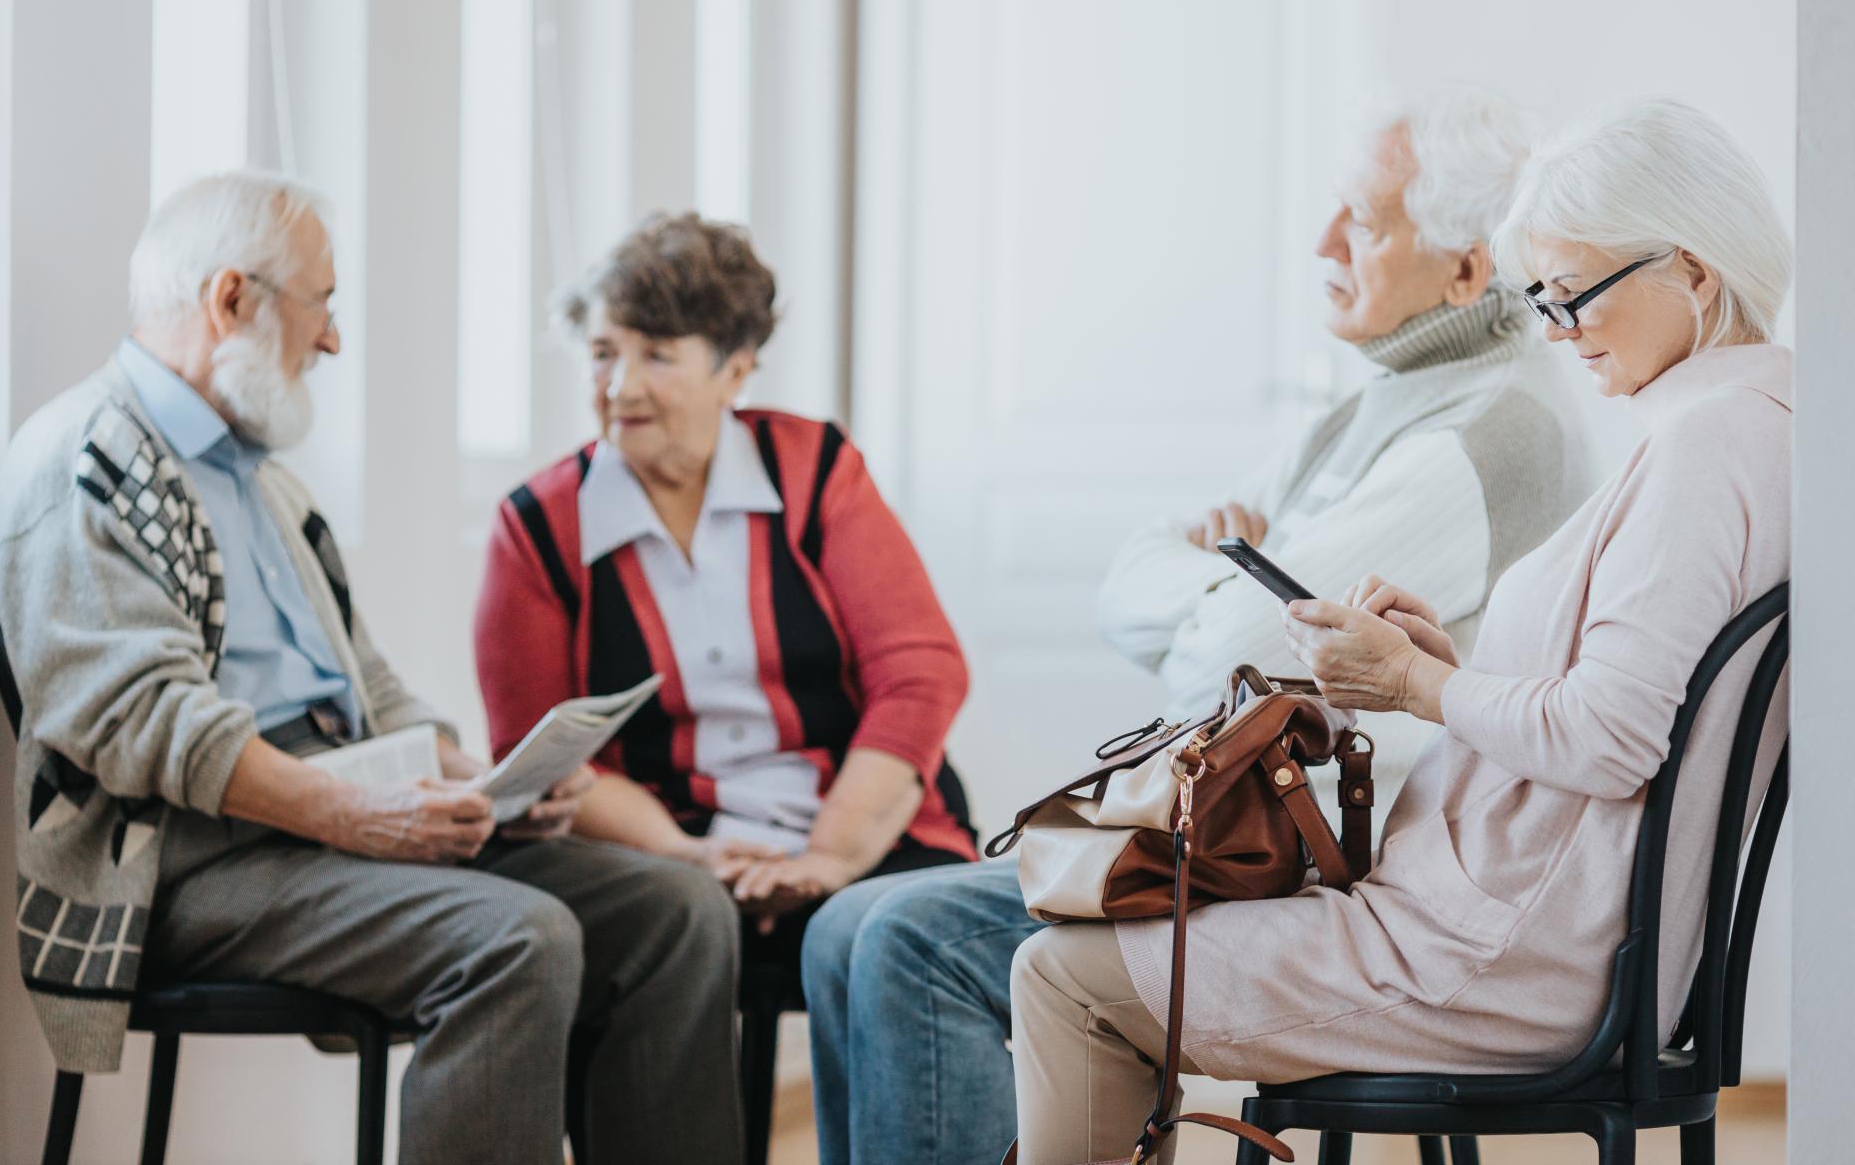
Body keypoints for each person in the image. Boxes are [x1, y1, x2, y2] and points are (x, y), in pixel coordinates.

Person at [801, 90, 1599, 1165]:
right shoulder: (1374, 404)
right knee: (844, 927)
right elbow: (1140, 593)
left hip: (1322, 853)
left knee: (904, 937)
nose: (1321, 245)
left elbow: (1233, 651)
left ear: (1465, 271)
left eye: (1360, 222)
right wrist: (1212, 585)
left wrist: (1214, 586)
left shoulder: (1488, 432)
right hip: (1239, 827)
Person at [1008, 97, 1793, 1162]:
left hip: (1501, 955)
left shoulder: (1705, 449)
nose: (1559, 332)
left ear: (1694, 272)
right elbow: (1625, 708)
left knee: (1061, 973)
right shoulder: (1765, 423)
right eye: (1544, 301)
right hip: (1541, 934)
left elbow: (1612, 738)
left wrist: (1415, 688)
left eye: (1575, 296)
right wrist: (1455, 670)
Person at [0, 172, 740, 1165]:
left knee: (675, 913)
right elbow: (142, 720)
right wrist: (359, 816)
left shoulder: (263, 482)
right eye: (320, 304)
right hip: (192, 861)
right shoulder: (79, 462)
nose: (331, 338)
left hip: (330, 829)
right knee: (517, 935)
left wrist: (485, 785)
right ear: (232, 299)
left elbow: (369, 689)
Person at [472, 212, 976, 978]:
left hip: (863, 822)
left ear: (736, 369)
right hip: (663, 842)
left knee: (888, 938)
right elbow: (534, 751)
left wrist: (830, 856)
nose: (621, 387)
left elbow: (919, 672)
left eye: (658, 357)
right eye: (603, 353)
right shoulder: (537, 526)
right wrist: (681, 852)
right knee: (674, 921)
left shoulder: (817, 469)